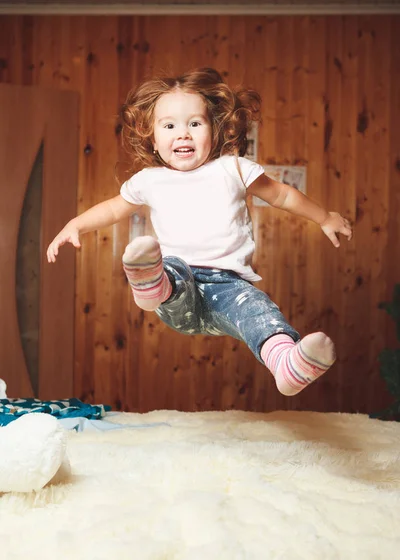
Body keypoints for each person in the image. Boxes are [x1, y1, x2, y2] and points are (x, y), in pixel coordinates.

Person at [47, 67, 352, 397]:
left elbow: (282, 195)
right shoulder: (149, 180)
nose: (183, 134)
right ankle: (149, 282)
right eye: (170, 125)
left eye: (195, 123)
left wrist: (324, 217)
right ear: (152, 135)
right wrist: (76, 223)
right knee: (173, 269)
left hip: (228, 286)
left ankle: (286, 365)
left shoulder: (233, 168)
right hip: (178, 285)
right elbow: (112, 208)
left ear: (214, 128)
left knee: (258, 309)